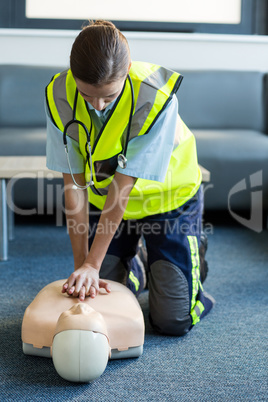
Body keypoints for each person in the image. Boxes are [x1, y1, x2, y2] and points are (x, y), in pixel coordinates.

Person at [45, 19, 214, 336]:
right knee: (102, 293)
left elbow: (123, 188)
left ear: (127, 71)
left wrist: (93, 266)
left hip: (169, 202)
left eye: (108, 97)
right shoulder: (59, 94)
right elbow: (74, 186)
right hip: (107, 203)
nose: (97, 106)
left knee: (172, 321)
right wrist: (83, 265)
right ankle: (137, 265)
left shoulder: (156, 97)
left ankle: (192, 257)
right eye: (87, 95)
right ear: (73, 74)